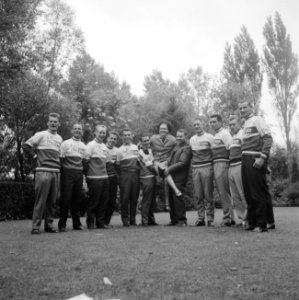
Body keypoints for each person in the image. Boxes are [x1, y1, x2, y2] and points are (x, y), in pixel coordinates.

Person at [238, 101, 275, 232]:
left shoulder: (258, 119)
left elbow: (268, 139)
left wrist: (263, 158)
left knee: (256, 192)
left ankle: (261, 224)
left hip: (254, 158)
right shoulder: (244, 124)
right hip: (245, 158)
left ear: (250, 107)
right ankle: (257, 222)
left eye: (244, 107)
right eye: (240, 108)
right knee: (249, 192)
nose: (242, 110)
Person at [23, 113, 63, 234]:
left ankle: (49, 225)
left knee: (52, 201)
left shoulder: (60, 138)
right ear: (47, 123)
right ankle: (36, 227)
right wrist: (35, 156)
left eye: (55, 121)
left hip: (56, 172)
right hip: (43, 171)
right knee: (41, 200)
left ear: (58, 124)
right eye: (51, 121)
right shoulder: (41, 135)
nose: (53, 123)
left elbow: (59, 155)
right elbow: (26, 146)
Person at [58, 123, 86, 232]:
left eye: (79, 129)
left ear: (82, 131)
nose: (77, 130)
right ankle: (62, 224)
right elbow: (61, 159)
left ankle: (76, 224)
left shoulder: (84, 146)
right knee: (65, 199)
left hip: (79, 174)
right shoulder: (65, 143)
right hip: (67, 173)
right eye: (75, 128)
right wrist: (64, 172)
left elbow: (83, 162)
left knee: (76, 200)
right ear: (72, 130)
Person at [210, 114, 235, 226]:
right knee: (223, 191)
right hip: (216, 164)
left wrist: (229, 164)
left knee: (224, 191)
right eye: (211, 122)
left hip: (223, 163)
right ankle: (231, 217)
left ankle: (227, 218)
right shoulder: (215, 135)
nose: (212, 124)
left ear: (220, 122)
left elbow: (231, 149)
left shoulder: (225, 133)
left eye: (214, 121)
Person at [163, 129, 191, 226]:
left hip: (179, 177)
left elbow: (182, 163)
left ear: (185, 137)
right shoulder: (176, 146)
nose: (178, 138)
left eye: (181, 136)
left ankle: (182, 220)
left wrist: (169, 169)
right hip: (171, 176)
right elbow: (170, 159)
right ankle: (174, 220)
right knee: (171, 198)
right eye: (177, 136)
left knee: (178, 198)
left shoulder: (187, 147)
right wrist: (166, 162)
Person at [190, 118, 215, 226]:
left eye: (198, 124)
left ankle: (210, 218)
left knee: (208, 194)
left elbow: (215, 153)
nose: (196, 126)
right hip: (196, 169)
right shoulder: (191, 139)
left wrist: (213, 167)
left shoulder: (210, 137)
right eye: (194, 125)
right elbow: (191, 155)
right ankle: (201, 218)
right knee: (198, 195)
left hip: (207, 167)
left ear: (202, 125)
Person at [84, 124, 109, 229]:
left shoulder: (104, 147)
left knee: (103, 202)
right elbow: (85, 162)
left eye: (104, 132)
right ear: (95, 133)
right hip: (94, 178)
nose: (102, 134)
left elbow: (106, 163)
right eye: (100, 132)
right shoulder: (90, 145)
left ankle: (100, 222)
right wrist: (86, 178)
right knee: (94, 202)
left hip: (104, 178)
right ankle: (90, 223)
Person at [150, 122, 176, 211]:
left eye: (164, 129)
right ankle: (155, 205)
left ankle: (167, 203)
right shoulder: (153, 138)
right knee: (156, 181)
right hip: (156, 162)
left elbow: (176, 149)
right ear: (159, 130)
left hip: (166, 163)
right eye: (161, 128)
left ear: (167, 130)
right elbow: (144, 144)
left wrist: (169, 160)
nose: (162, 130)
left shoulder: (172, 139)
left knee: (166, 178)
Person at [117, 128, 140, 226]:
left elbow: (139, 162)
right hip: (125, 175)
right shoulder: (119, 150)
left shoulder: (136, 147)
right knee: (125, 198)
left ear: (131, 136)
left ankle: (133, 219)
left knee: (134, 197)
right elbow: (117, 166)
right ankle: (125, 219)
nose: (127, 137)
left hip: (135, 174)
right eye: (125, 135)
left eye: (128, 135)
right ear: (122, 137)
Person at [228, 115, 247, 227]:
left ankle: (249, 217)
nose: (231, 126)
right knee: (235, 196)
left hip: (239, 165)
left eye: (234, 124)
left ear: (239, 124)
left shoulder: (243, 133)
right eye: (230, 125)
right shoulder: (231, 137)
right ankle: (242, 218)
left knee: (242, 193)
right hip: (231, 166)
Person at [138, 134, 158, 226]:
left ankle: (151, 220)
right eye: (144, 141)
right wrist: (159, 172)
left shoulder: (150, 151)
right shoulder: (140, 153)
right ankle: (145, 221)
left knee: (152, 200)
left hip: (152, 177)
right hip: (146, 178)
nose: (146, 142)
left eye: (147, 140)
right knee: (146, 200)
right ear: (141, 143)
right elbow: (150, 166)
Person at [104, 131, 119, 226]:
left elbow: (117, 166)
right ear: (107, 138)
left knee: (112, 200)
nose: (112, 140)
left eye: (114, 139)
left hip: (113, 178)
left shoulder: (117, 151)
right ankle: (99, 221)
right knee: (103, 200)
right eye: (111, 138)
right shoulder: (102, 148)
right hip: (103, 178)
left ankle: (106, 222)